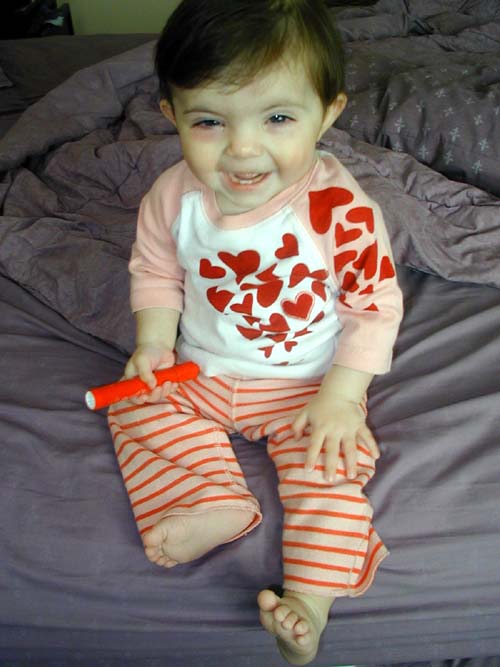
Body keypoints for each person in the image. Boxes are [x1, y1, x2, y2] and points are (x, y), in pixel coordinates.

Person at [107, 0, 403, 663]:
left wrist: (341, 396)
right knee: (132, 402)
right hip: (200, 369)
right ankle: (211, 500)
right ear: (172, 115)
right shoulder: (171, 197)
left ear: (327, 113)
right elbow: (155, 271)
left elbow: (375, 305)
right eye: (209, 121)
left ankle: (311, 602)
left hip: (307, 386)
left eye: (277, 118)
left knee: (331, 467)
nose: (242, 149)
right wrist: (153, 344)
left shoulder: (340, 211)